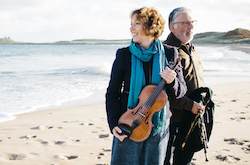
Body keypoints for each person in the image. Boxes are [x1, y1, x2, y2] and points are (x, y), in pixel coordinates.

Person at [105, 7, 187, 165]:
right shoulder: (124, 54)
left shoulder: (171, 54)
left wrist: (172, 81)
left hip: (158, 125)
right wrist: (113, 123)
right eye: (131, 23)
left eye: (136, 23)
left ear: (150, 27)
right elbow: (112, 92)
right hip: (128, 124)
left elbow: (181, 91)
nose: (131, 28)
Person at [162, 7, 206, 165]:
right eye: (185, 23)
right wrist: (190, 105)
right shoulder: (166, 51)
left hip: (192, 117)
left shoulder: (191, 48)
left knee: (184, 161)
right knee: (165, 161)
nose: (191, 26)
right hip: (173, 121)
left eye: (192, 22)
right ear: (172, 26)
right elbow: (165, 92)